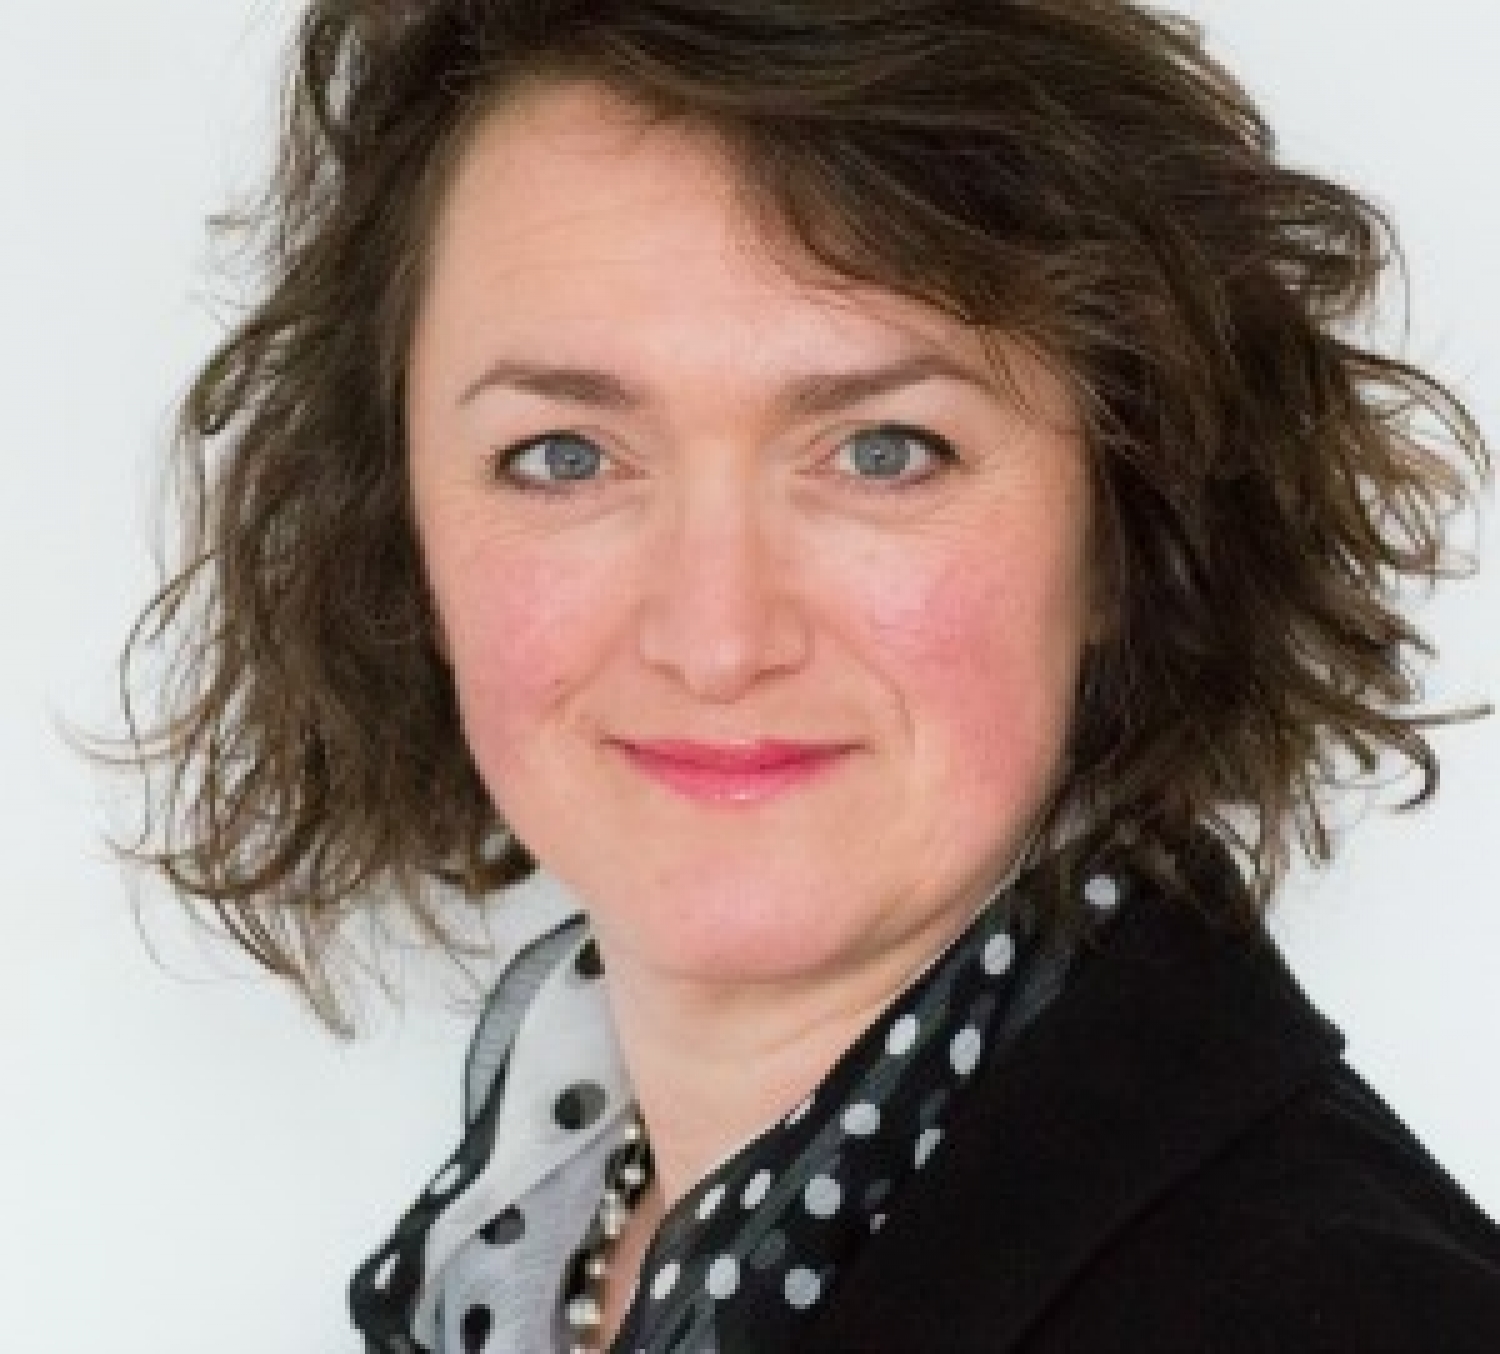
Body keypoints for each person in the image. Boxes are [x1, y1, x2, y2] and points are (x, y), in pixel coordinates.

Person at [115, 1, 1500, 1349]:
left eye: (883, 451)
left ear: (1127, 526)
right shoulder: (537, 1248)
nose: (717, 639)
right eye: (565, 457)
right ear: (401, 530)